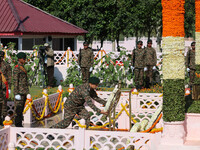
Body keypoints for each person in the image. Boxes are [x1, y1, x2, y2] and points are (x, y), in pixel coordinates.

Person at [13, 52, 29, 127]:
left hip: (23, 91)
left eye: (25, 58)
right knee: (18, 110)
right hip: (19, 92)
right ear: (19, 59)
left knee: (21, 109)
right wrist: (16, 93)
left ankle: (19, 124)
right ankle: (17, 125)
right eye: (23, 58)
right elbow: (15, 81)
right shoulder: (17, 68)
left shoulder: (22, 67)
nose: (25, 60)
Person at [0, 51, 12, 120]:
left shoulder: (6, 65)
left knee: (4, 103)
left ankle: (4, 118)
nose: (0, 58)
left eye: (1, 56)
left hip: (4, 87)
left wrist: (9, 88)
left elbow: (9, 77)